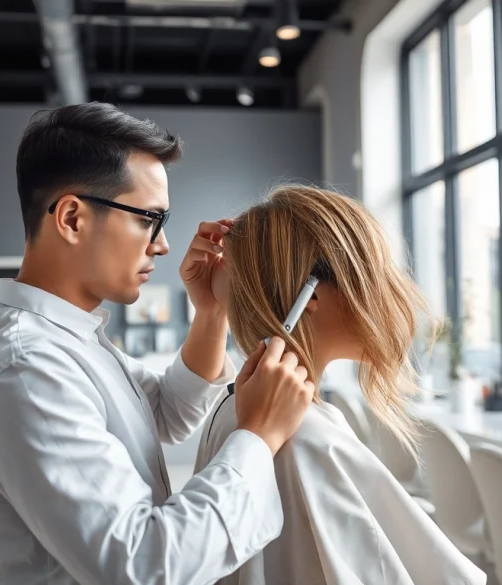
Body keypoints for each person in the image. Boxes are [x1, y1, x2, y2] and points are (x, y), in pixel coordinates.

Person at [0, 103, 315, 585]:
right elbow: (141, 567)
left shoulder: (70, 339)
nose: (162, 245)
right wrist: (259, 437)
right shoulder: (27, 368)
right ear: (73, 218)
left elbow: (166, 413)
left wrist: (210, 311)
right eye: (149, 219)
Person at [196, 185, 486, 585]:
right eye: (373, 271)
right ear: (309, 294)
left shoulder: (235, 408)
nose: (392, 290)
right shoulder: (307, 439)